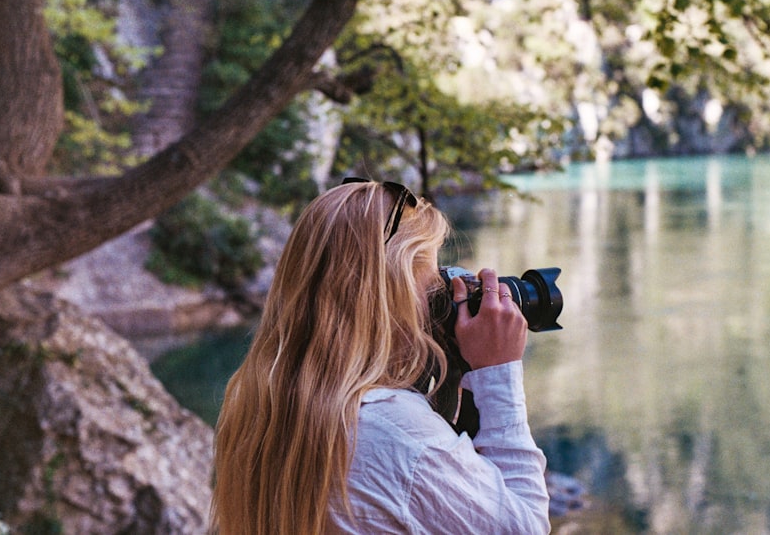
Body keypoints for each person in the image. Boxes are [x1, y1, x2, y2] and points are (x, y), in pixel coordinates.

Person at [211, 179, 550, 534]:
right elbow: (524, 528)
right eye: (431, 282)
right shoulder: (396, 433)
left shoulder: (261, 401)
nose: (438, 298)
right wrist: (497, 373)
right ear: (393, 293)